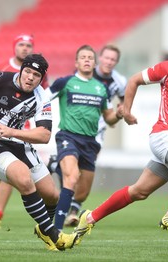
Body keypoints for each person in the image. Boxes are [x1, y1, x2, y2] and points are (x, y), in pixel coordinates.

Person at [74, 32, 168, 244]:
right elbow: (134, 80)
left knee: (139, 192)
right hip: (163, 135)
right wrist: (126, 110)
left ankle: (89, 218)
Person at [0, 54, 78, 251]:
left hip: (19, 143)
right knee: (24, 179)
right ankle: (53, 234)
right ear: (21, 70)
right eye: (28, 72)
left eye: (36, 75)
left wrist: (11, 132)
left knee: (51, 195)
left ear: (42, 79)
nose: (30, 77)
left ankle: (43, 229)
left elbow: (44, 135)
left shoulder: (42, 97)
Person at [47, 45, 124, 231]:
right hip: (68, 136)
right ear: (76, 62)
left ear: (94, 62)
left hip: (90, 142)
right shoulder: (65, 82)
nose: (87, 60)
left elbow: (108, 117)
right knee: (71, 178)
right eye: (83, 57)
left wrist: (119, 114)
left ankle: (55, 165)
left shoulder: (101, 89)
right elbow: (42, 99)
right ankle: (56, 230)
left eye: (90, 57)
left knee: (82, 192)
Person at [0, 33, 49, 230]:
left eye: (28, 45)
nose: (25, 48)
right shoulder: (2, 70)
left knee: (16, 173)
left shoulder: (39, 80)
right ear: (14, 47)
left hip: (22, 129)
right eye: (21, 44)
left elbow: (40, 104)